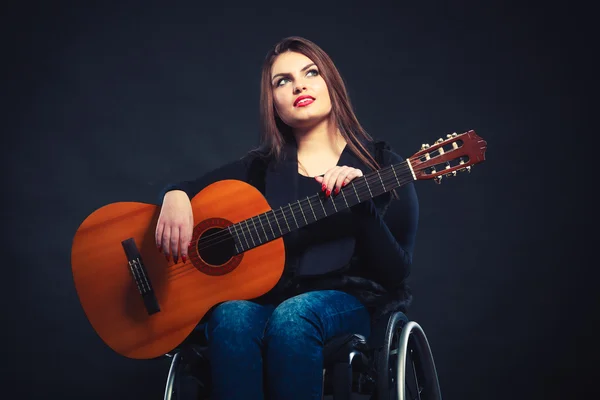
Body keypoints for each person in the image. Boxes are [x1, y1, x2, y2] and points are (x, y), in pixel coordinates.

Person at [155, 36, 419, 400]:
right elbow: (187, 186)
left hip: (347, 305)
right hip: (270, 303)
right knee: (230, 316)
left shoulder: (382, 166)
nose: (299, 85)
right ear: (273, 102)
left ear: (331, 82)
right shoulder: (259, 170)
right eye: (283, 80)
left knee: (295, 315)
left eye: (311, 72)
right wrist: (173, 195)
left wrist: (363, 210)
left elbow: (396, 273)